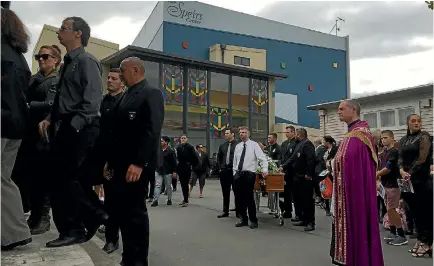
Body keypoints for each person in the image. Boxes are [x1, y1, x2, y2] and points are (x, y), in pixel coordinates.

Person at [38, 16, 107, 247]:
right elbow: (62, 98)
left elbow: (92, 102)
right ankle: (77, 225)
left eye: (64, 28)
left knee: (66, 178)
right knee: (59, 179)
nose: (59, 31)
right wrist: (49, 118)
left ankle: (91, 218)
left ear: (77, 33)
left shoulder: (86, 61)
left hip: (80, 126)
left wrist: (73, 126)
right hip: (64, 124)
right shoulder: (68, 62)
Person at [104, 57, 164, 266]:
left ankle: (138, 261)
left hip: (137, 167)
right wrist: (109, 163)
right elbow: (117, 134)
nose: (119, 75)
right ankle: (128, 258)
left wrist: (139, 163)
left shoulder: (150, 94)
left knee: (135, 214)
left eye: (122, 71)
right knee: (122, 213)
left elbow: (151, 131)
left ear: (135, 70)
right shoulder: (126, 95)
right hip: (121, 166)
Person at [12, 44, 61, 236]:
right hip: (29, 134)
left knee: (43, 178)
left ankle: (43, 218)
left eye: (46, 56)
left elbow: (51, 104)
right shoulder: (34, 79)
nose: (41, 59)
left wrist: (27, 105)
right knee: (30, 178)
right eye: (38, 56)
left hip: (45, 135)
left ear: (55, 60)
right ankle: (34, 215)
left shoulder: (56, 80)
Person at [330, 99, 384, 266]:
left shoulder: (358, 135)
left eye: (341, 109)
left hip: (353, 192)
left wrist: (331, 163)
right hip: (348, 189)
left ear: (353, 110)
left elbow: (345, 161)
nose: (338, 112)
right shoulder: (353, 133)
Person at [1, 5, 32, 250]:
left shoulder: (3, 55)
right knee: (3, 178)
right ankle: (12, 232)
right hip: (15, 125)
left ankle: (14, 232)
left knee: (2, 179)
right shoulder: (18, 56)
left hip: (4, 123)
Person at [97, 68, 125, 254]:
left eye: (114, 78)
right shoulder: (103, 102)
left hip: (124, 159)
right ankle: (111, 239)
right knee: (110, 201)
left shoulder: (127, 101)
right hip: (105, 158)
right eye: (108, 78)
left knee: (124, 203)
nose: (109, 81)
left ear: (122, 83)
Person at [398, 114, 432, 258]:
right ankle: (420, 239)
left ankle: (427, 242)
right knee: (413, 212)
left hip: (421, 180)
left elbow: (422, 158)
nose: (416, 123)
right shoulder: (404, 140)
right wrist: (401, 170)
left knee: (424, 212)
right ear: (408, 123)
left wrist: (409, 173)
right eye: (413, 121)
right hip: (407, 181)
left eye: (419, 121)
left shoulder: (424, 137)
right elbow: (399, 157)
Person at [232, 126, 268, 229]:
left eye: (244, 132)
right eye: (240, 132)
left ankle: (253, 220)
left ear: (248, 134)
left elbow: (262, 158)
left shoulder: (254, 145)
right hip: (238, 174)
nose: (242, 134)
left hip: (249, 174)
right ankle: (243, 219)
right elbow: (235, 161)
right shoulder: (238, 146)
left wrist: (265, 170)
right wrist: (234, 173)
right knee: (239, 198)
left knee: (249, 198)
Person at [376, 130, 408, 246]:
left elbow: (388, 168)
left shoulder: (394, 151)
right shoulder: (384, 152)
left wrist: (376, 174)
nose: (383, 140)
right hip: (385, 185)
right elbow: (381, 166)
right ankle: (393, 232)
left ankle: (401, 235)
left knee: (392, 209)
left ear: (392, 138)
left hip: (393, 185)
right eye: (382, 138)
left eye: (385, 137)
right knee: (389, 209)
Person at [282, 128, 316, 231]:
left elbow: (311, 159)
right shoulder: (299, 144)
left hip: (305, 177)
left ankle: (310, 222)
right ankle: (303, 219)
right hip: (297, 176)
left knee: (307, 200)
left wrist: (309, 174)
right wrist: (283, 166)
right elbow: (292, 158)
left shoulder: (307, 144)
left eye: (296, 133)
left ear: (298, 134)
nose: (295, 136)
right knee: (300, 199)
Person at [216, 128, 239, 218]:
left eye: (227, 133)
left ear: (232, 134)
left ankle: (239, 211)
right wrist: (220, 168)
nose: (225, 134)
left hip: (234, 171)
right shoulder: (223, 145)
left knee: (237, 192)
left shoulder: (238, 145)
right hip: (224, 171)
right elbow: (219, 157)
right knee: (225, 192)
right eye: (225, 133)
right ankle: (225, 211)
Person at [278, 125, 299, 219]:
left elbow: (292, 158)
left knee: (294, 192)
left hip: (292, 171)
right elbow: (280, 156)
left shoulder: (296, 143)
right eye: (285, 132)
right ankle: (287, 210)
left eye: (288, 132)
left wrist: (284, 165)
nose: (286, 134)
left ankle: (298, 213)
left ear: (293, 132)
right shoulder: (284, 143)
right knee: (286, 192)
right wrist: (280, 164)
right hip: (284, 171)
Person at [152, 136, 177, 207]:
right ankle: (155, 200)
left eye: (162, 141)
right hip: (158, 170)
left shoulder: (171, 151)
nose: (160, 142)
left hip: (168, 171)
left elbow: (174, 162)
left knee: (168, 186)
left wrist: (174, 171)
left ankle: (169, 199)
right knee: (157, 185)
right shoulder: (158, 150)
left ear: (166, 142)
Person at [176, 134, 199, 207]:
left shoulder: (190, 147)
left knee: (186, 184)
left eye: (184, 138)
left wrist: (192, 165)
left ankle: (186, 200)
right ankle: (184, 199)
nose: (183, 139)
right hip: (180, 166)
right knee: (182, 184)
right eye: (182, 138)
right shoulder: (179, 147)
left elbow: (195, 157)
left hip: (187, 166)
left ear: (187, 139)